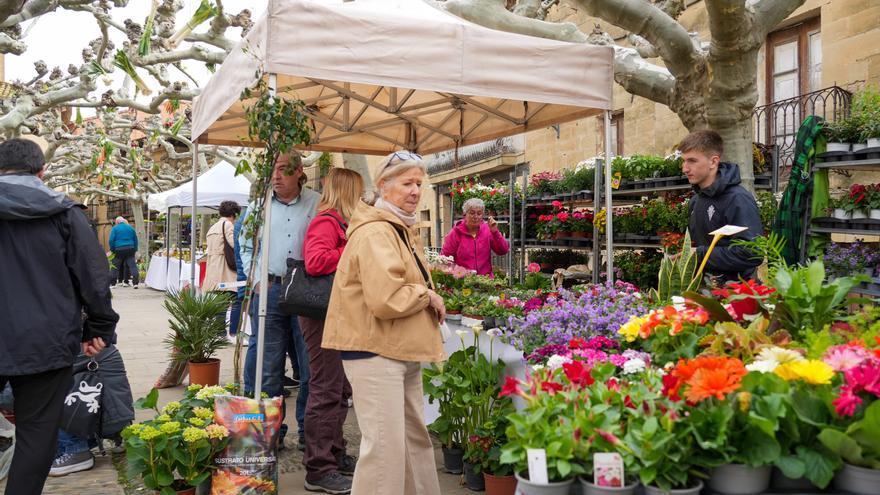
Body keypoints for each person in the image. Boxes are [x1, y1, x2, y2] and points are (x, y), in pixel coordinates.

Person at [322, 150, 445, 495]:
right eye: (407, 183)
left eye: (419, 183)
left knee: (412, 442)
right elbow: (386, 298)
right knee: (386, 453)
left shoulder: (395, 227)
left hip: (394, 347)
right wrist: (427, 296)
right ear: (383, 186)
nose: (415, 191)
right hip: (376, 351)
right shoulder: (378, 231)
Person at [0, 138, 118, 495]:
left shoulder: (66, 212)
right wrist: (98, 329)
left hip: (40, 341)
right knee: (37, 434)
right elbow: (94, 277)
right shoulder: (64, 213)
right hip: (45, 342)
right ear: (42, 171)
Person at [239, 151, 319, 452]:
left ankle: (309, 433)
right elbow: (245, 246)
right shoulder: (258, 205)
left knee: (310, 366)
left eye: (283, 170)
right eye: (272, 170)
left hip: (306, 292)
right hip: (269, 292)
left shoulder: (317, 202)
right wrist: (256, 280)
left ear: (299, 172)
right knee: (268, 367)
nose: (275, 176)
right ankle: (271, 433)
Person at [300, 169, 363, 494]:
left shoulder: (339, 223)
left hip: (336, 314)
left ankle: (334, 455)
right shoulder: (326, 222)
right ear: (347, 192)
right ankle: (319, 469)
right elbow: (315, 261)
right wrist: (353, 249)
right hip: (322, 316)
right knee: (326, 389)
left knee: (338, 390)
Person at [680, 130, 763, 284]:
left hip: (736, 295)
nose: (685, 168)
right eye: (683, 161)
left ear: (713, 161)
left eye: (692, 161)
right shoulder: (695, 201)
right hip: (704, 292)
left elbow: (752, 253)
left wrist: (699, 254)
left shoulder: (737, 199)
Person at [203, 200, 242, 339]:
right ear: (233, 214)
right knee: (237, 299)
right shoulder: (228, 225)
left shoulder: (212, 228)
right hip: (226, 268)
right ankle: (234, 332)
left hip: (214, 267)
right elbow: (235, 245)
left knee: (221, 301)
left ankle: (220, 332)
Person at [441, 197, 510, 275]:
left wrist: (495, 232)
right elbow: (444, 258)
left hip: (485, 280)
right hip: (462, 280)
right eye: (472, 213)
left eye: (479, 213)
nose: (475, 216)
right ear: (465, 214)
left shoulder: (487, 230)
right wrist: (454, 273)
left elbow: (503, 250)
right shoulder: (455, 233)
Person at [108, 216, 139, 288]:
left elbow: (111, 240)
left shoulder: (115, 228)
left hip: (119, 249)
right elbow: (135, 239)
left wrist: (112, 249)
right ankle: (135, 283)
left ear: (117, 222)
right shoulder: (130, 228)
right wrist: (135, 249)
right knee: (133, 266)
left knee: (115, 266)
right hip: (130, 248)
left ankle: (113, 284)